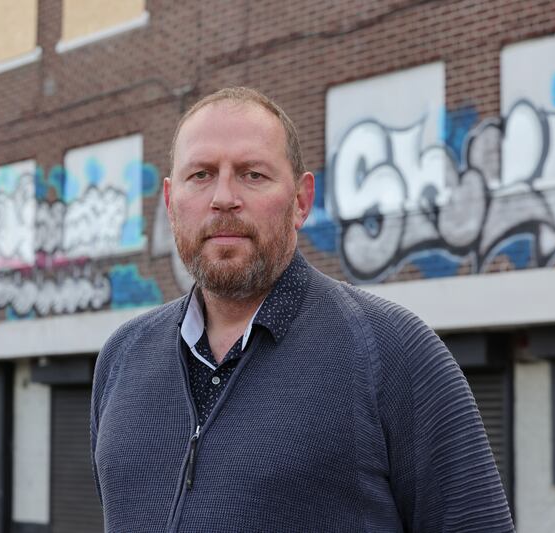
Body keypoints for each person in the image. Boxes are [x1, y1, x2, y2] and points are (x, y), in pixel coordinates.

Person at [90, 87, 514, 532]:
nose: (224, 197)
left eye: (253, 174)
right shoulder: (121, 358)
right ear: (170, 203)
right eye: (201, 174)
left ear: (301, 201)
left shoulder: (393, 351)